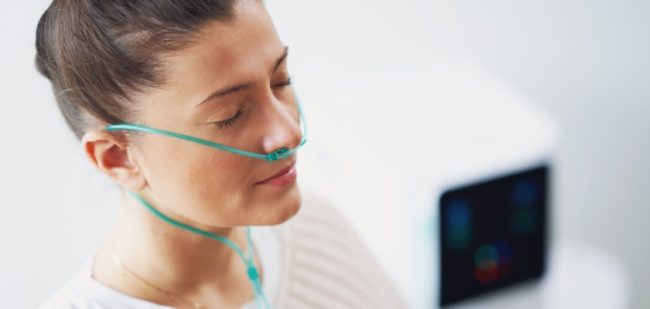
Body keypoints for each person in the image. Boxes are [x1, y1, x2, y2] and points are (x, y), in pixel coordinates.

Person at [35, 0, 406, 308]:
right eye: (230, 115)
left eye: (281, 81)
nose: (290, 133)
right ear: (118, 158)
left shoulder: (322, 233)